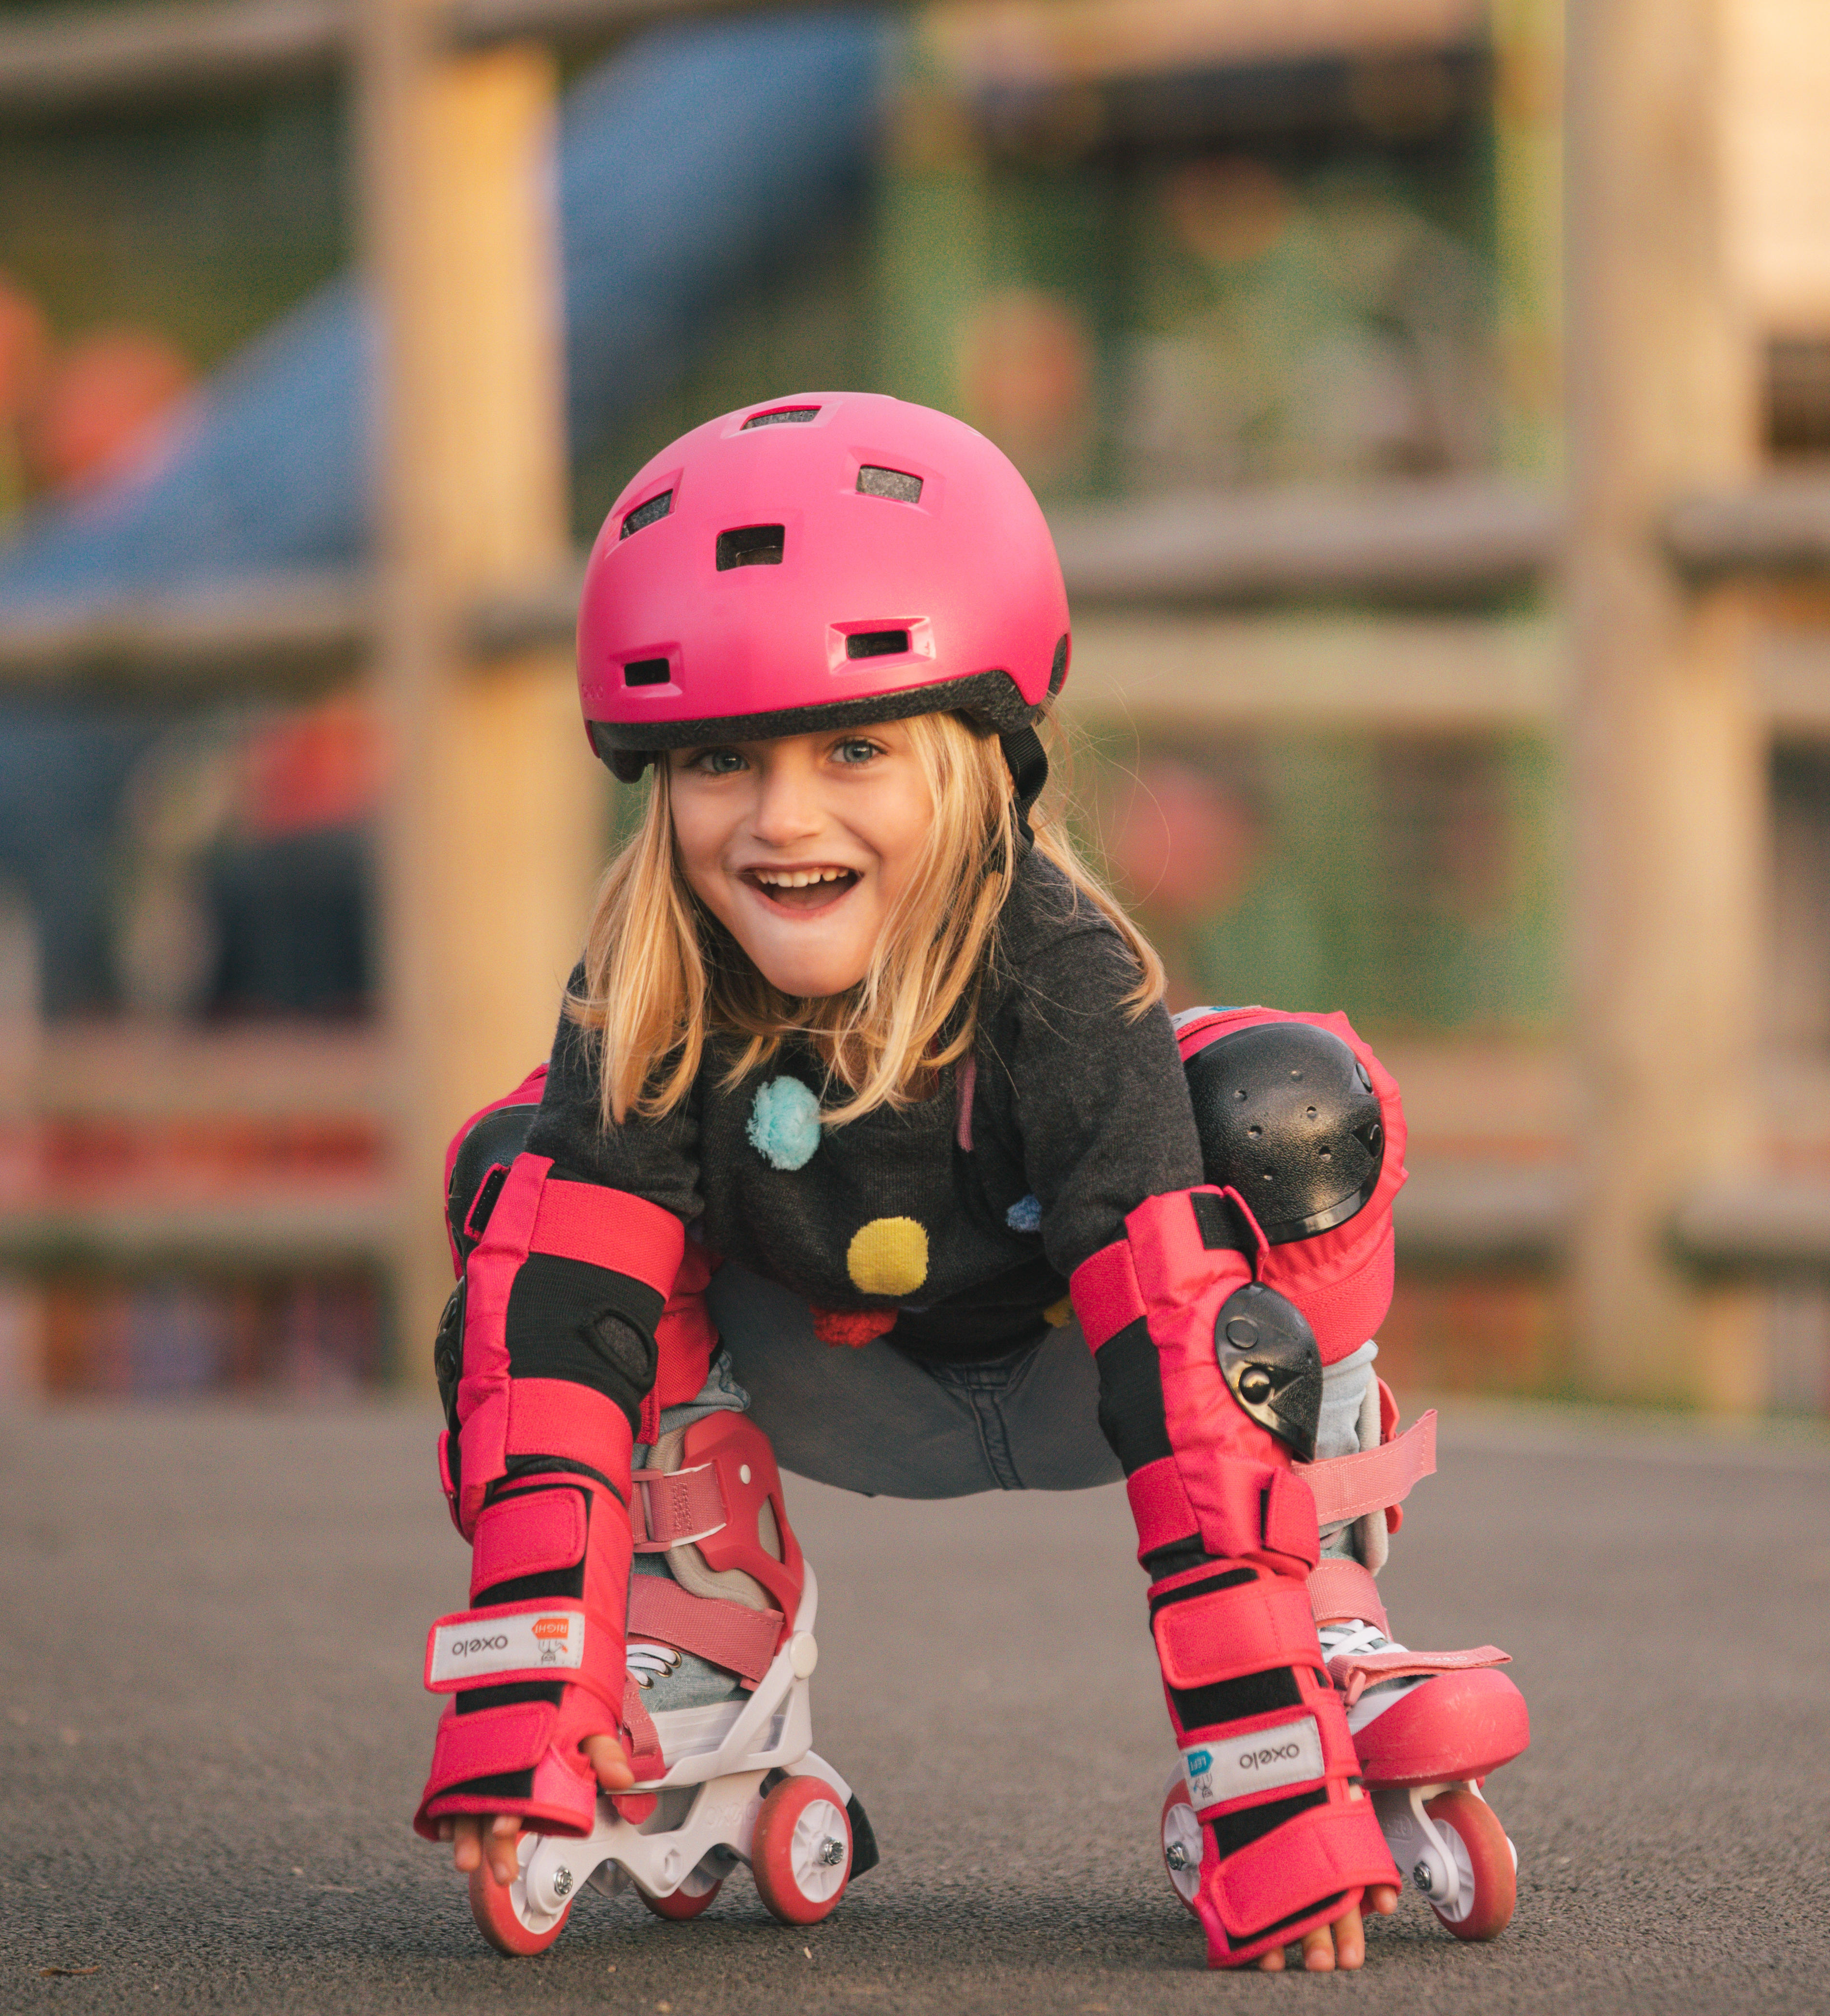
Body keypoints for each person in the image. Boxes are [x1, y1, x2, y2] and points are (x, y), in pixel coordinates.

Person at [409, 393, 1526, 1972]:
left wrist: (1264, 1768)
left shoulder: (1062, 975)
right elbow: (568, 1319)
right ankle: (695, 1634)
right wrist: (531, 1678)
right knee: (527, 1191)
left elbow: (1180, 1350)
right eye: (723, 757)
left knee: (1282, 1105)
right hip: (821, 1386)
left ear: (984, 757)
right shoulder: (645, 986)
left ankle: (1324, 1613)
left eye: (854, 747)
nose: (784, 819)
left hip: (1101, 1375)